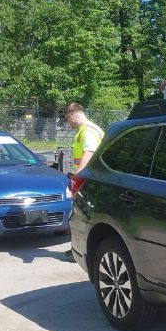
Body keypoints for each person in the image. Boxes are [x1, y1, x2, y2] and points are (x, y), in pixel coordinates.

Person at [62, 103, 104, 261]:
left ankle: (80, 251)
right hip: (92, 178)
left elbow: (89, 153)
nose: (68, 122)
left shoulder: (87, 131)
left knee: (81, 216)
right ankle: (78, 249)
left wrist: (77, 177)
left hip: (87, 180)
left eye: (67, 119)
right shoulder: (92, 128)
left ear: (71, 115)